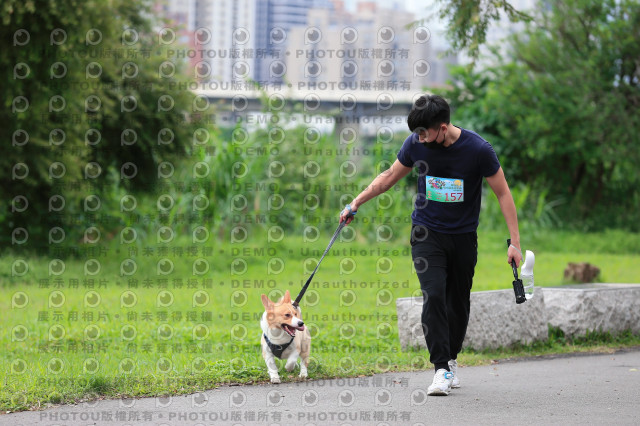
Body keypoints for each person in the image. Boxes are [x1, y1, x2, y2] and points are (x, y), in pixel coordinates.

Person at [339, 94, 523, 396]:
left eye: (425, 132)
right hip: (427, 233)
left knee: (458, 301)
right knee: (434, 293)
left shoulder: (478, 150)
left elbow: (503, 194)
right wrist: (355, 202)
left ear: (443, 126)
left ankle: (450, 360)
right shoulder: (416, 144)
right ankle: (440, 368)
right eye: (417, 132)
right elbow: (389, 177)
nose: (420, 138)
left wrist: (514, 243)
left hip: (463, 237)